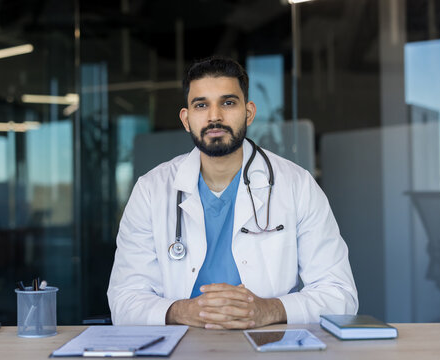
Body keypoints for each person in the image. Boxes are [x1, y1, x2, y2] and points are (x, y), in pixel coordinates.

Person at [107, 56, 358, 329]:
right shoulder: (151, 190)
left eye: (228, 103)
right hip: (180, 347)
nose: (215, 116)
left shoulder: (297, 185)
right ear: (186, 119)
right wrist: (182, 311)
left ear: (248, 112)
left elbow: (340, 294)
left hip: (267, 345)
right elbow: (124, 298)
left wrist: (269, 310)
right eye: (201, 105)